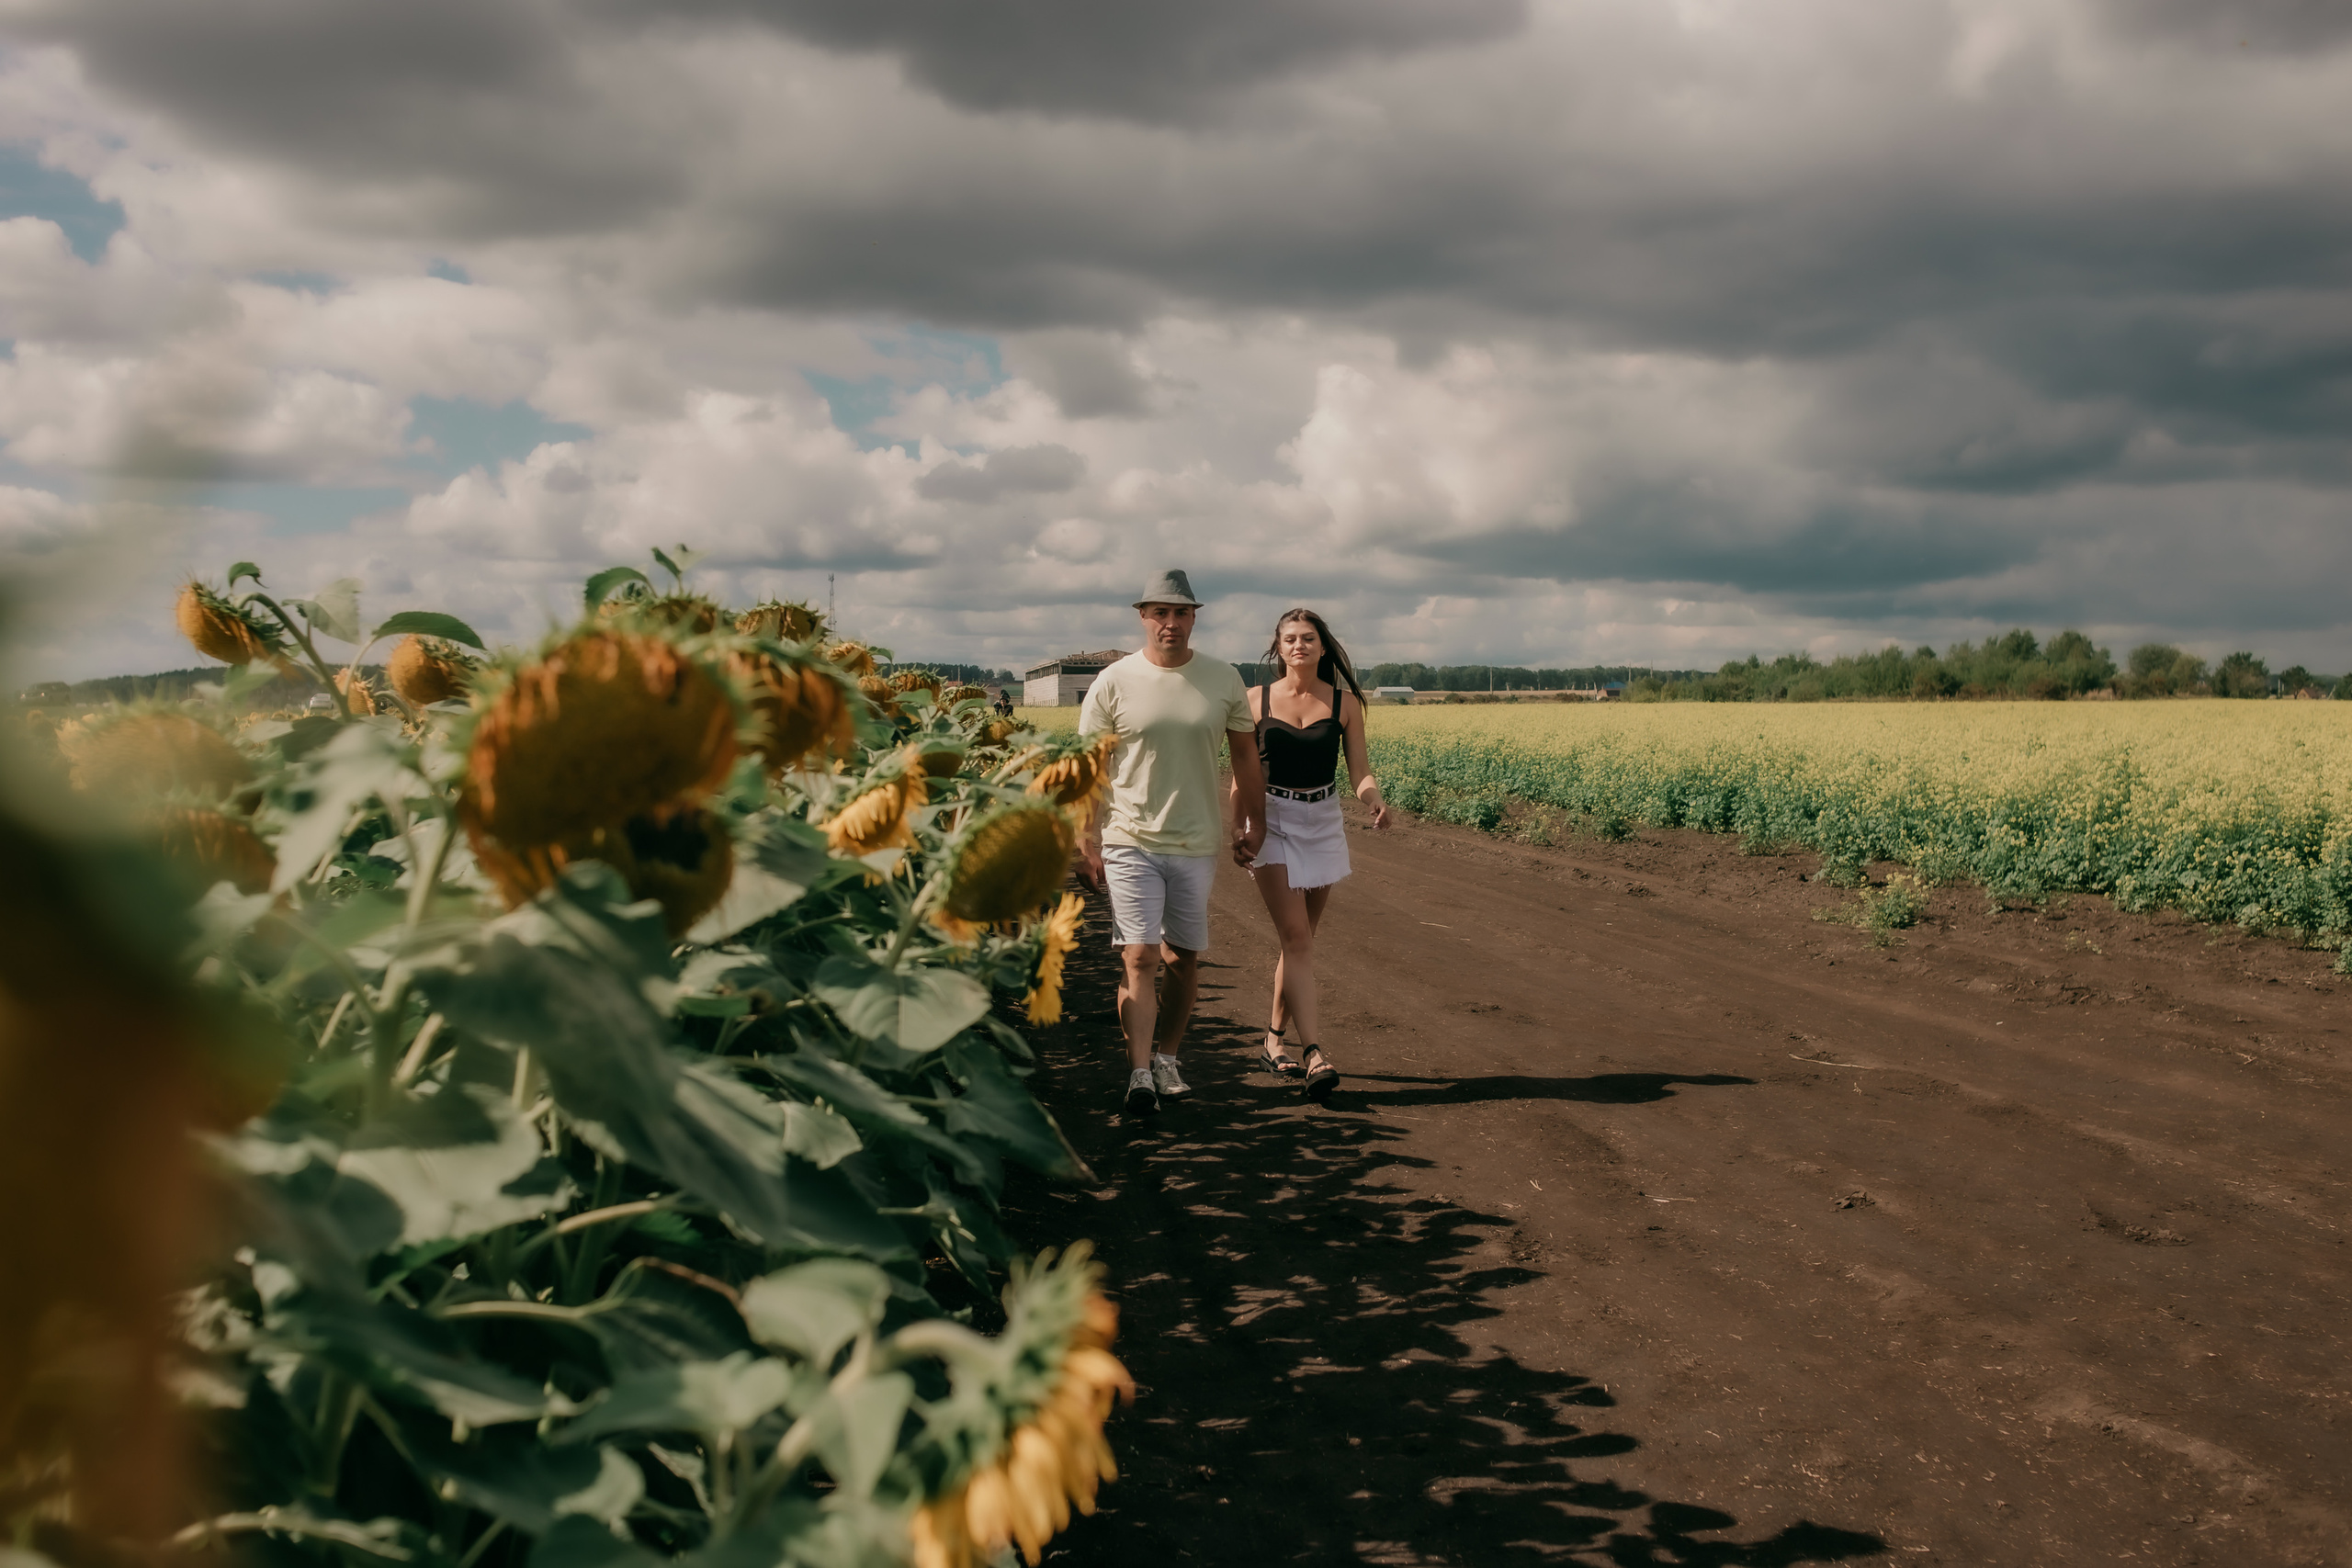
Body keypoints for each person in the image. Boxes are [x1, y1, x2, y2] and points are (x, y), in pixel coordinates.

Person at [1077, 570, 1269, 1115]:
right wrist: (1086, 838)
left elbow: (1246, 758)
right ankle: (1139, 1073)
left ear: (1193, 618)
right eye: (1160, 612)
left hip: (1194, 841)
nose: (1171, 622)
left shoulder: (1222, 678)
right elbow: (1090, 769)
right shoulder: (1113, 681)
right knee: (1138, 955)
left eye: (1181, 612)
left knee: (1183, 957)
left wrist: (1255, 824)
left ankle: (1167, 1058)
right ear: (1143, 616)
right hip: (1128, 837)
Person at [1232, 607, 1389, 1102]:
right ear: (1278, 648)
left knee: (1298, 941)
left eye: (1308, 638)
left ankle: (1272, 1040)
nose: (1299, 645)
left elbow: (1359, 770)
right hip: (1271, 819)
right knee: (1297, 937)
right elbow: (1241, 774)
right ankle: (1314, 1052)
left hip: (1322, 821)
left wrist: (1373, 799)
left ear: (1323, 647)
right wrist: (1238, 825)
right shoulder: (1255, 700)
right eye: (1290, 639)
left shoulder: (1344, 703)